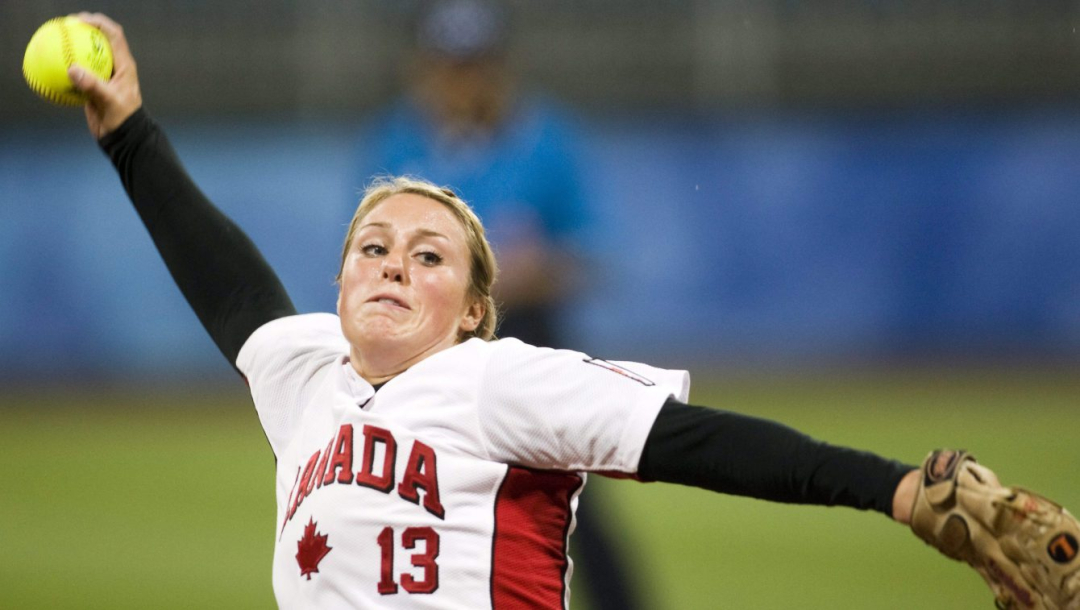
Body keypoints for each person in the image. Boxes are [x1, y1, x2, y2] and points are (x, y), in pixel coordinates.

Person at [67, 13, 1077, 610]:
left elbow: (695, 441)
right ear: (337, 287)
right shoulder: (308, 378)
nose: (389, 263)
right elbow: (230, 285)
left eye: (428, 256)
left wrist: (898, 489)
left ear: (472, 311)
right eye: (370, 247)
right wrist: (127, 134)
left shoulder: (498, 378)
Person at [354, 2, 636, 606]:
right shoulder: (396, 140)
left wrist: (538, 271)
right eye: (452, 67)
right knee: (414, 502)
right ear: (424, 70)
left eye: (475, 66)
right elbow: (366, 254)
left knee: (571, 502)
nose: (464, 82)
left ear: (502, 68)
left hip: (528, 339)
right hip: (423, 355)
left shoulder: (545, 140)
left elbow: (590, 252)